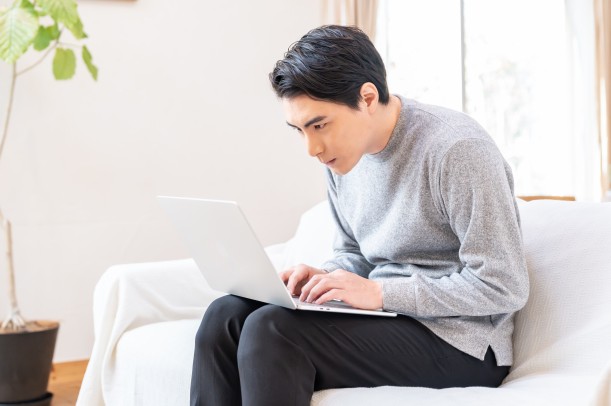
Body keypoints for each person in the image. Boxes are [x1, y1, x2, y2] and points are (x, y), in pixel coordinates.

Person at [190, 25, 529, 406]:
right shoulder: (341, 157)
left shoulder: (457, 150)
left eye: (319, 125)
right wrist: (326, 279)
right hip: (388, 318)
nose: (312, 148)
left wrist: (380, 293)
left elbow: (504, 284)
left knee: (273, 330)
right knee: (225, 316)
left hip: (462, 342)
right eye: (299, 130)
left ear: (367, 98)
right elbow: (355, 252)